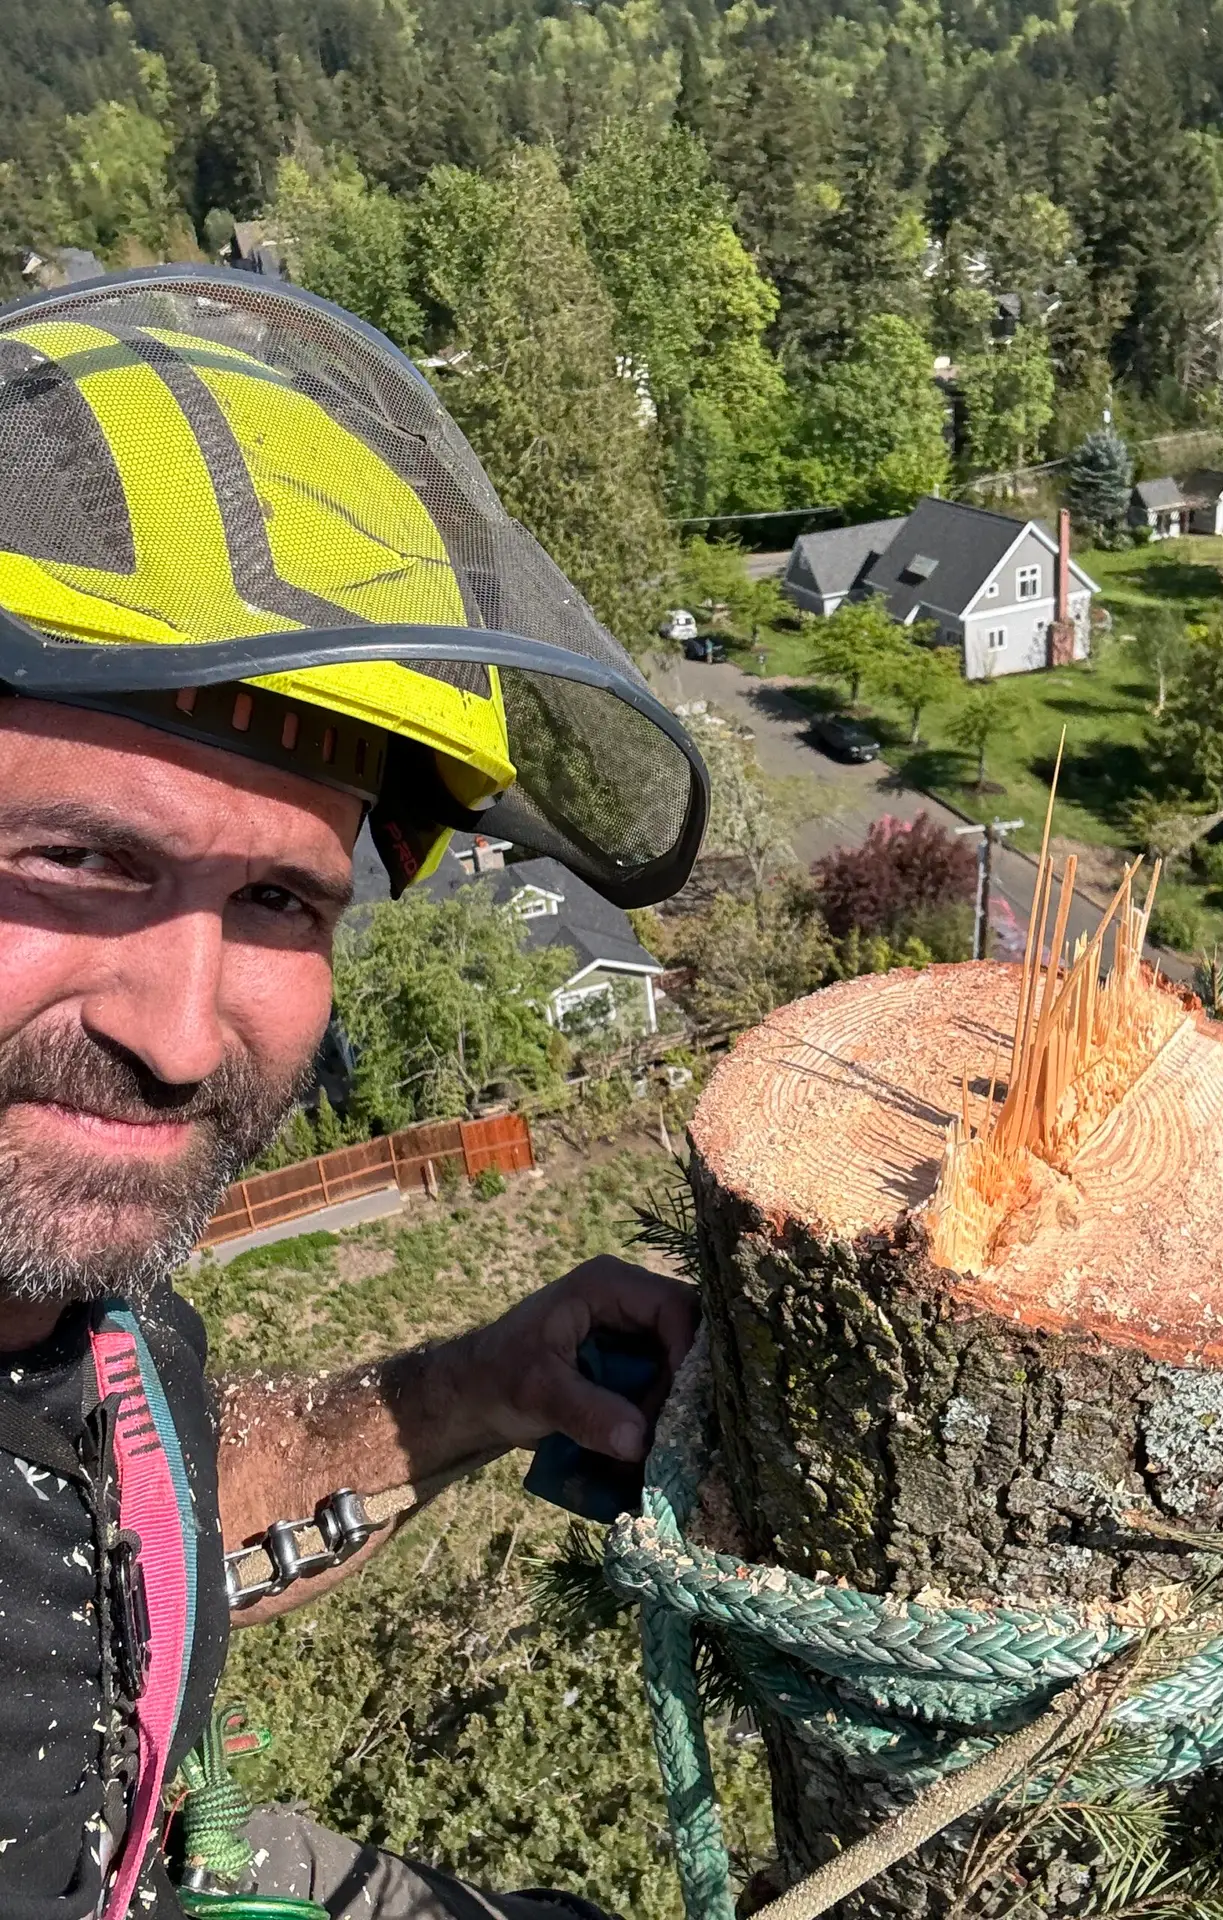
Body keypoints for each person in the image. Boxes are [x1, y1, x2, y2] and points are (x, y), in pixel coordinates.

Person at [0, 266, 710, 1919]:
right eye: (82, 857)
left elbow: (118, 1517)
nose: (181, 1034)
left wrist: (475, 1388)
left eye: (277, 902)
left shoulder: (65, 1320)